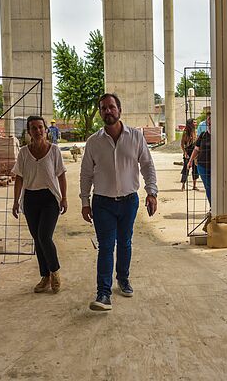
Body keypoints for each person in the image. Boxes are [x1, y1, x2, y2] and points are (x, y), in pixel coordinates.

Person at [80, 93, 158, 312]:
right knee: (106, 246)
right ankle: (103, 293)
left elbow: (147, 166)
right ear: (100, 112)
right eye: (103, 108)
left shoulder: (135, 137)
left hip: (129, 201)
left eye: (111, 107)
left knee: (125, 242)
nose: (108, 111)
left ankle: (123, 278)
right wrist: (85, 201)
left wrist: (151, 192)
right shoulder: (93, 142)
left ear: (119, 110)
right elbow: (86, 174)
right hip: (102, 203)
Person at [12, 116, 68, 294]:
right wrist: (15, 201)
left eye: (40, 127)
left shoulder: (54, 151)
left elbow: (61, 175)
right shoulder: (23, 153)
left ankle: (55, 272)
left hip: (50, 198)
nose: (37, 131)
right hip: (30, 199)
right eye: (33, 128)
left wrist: (64, 197)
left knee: (44, 236)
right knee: (37, 239)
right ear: (29, 132)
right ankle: (44, 277)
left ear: (46, 130)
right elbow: (19, 177)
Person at [188, 114, 212, 205]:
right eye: (209, 124)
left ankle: (217, 206)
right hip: (203, 166)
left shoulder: (220, 136)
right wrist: (190, 161)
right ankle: (212, 207)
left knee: (215, 187)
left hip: (216, 166)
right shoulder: (202, 135)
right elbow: (196, 149)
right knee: (208, 187)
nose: (210, 125)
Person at [180, 118, 199, 191]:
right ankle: (183, 185)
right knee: (186, 169)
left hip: (194, 152)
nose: (195, 124)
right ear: (190, 124)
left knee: (195, 169)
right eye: (194, 122)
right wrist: (185, 153)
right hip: (188, 152)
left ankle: (194, 186)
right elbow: (182, 144)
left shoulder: (195, 131)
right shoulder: (185, 133)